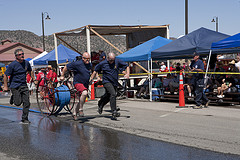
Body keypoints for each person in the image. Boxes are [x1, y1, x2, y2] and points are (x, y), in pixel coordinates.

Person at [90, 52, 129, 120]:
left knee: (108, 96)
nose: (112, 62)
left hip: (114, 82)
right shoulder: (103, 63)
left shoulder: (117, 61)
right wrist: (92, 79)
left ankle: (101, 104)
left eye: (113, 60)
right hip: (106, 81)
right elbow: (95, 70)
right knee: (113, 94)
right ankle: (114, 111)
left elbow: (127, 66)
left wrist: (127, 74)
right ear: (107, 58)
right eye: (110, 60)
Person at [3, 49, 34, 124]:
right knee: (18, 103)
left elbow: (30, 71)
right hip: (15, 86)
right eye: (20, 54)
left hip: (24, 85)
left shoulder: (26, 63)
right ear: (16, 56)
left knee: (27, 102)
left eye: (23, 54)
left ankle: (24, 118)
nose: (22, 55)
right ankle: (13, 97)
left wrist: (34, 79)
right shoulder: (12, 65)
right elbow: (5, 75)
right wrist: (5, 86)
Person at [60, 52, 92, 120]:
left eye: (89, 59)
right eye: (87, 59)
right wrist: (62, 75)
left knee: (80, 99)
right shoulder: (77, 64)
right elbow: (66, 67)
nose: (88, 60)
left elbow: (91, 72)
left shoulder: (89, 65)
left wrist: (91, 79)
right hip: (78, 83)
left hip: (85, 83)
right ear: (83, 58)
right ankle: (80, 109)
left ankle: (74, 113)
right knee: (84, 93)